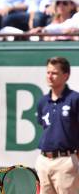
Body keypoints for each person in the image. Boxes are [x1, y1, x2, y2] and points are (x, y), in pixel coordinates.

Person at [35, 56, 79, 194]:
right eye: (48, 72)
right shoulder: (42, 101)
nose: (50, 76)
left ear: (66, 75)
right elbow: (45, 127)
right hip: (43, 161)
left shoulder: (75, 99)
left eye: (54, 73)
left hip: (66, 161)